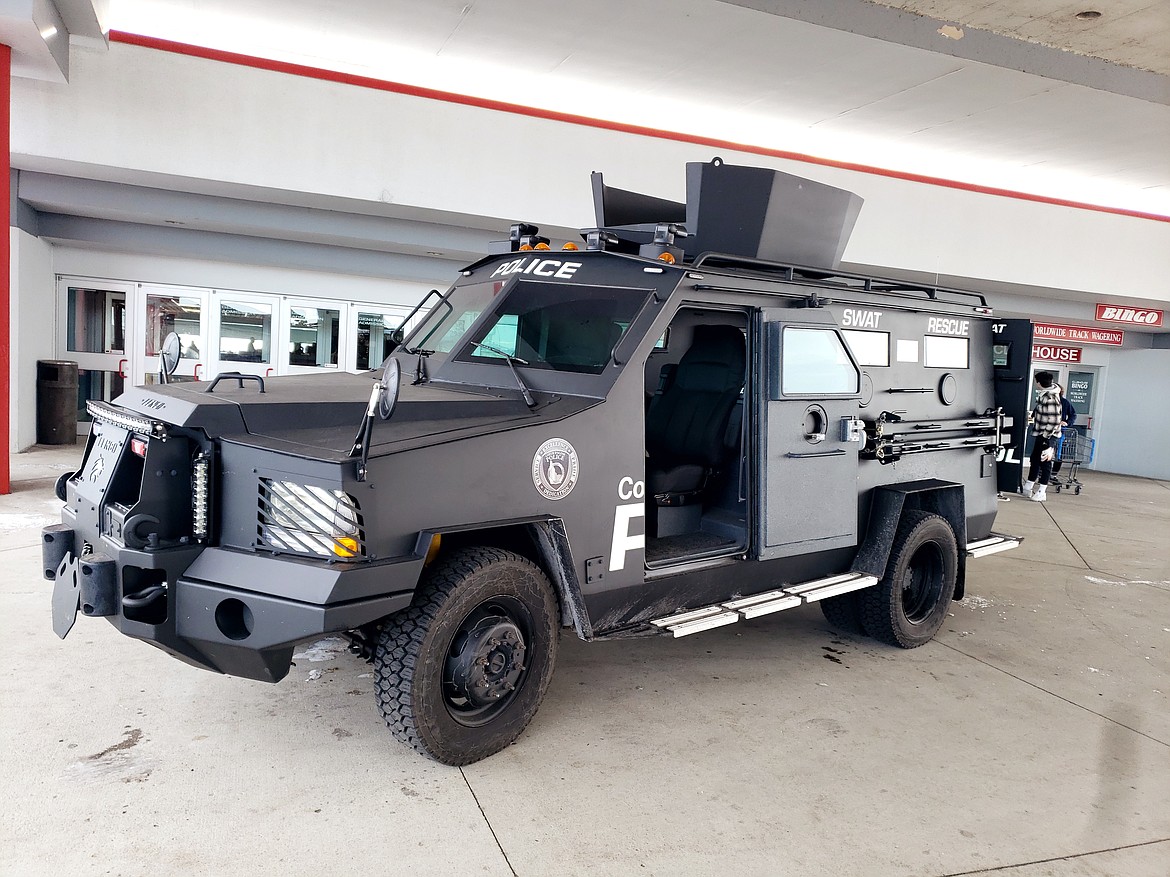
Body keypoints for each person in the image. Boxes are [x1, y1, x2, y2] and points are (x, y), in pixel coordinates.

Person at [1024, 371, 1062, 502]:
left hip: (1048, 436)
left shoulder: (1050, 398)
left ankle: (1042, 491)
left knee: (1045, 462)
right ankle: (1028, 486)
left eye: (1036, 381)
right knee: (1035, 459)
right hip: (1042, 433)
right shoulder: (1044, 395)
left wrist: (1046, 437)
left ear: (1039, 382)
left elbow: (1054, 420)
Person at [1052, 384, 1077, 476]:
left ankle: (1054, 474)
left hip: (1060, 431)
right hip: (1048, 430)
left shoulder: (1064, 402)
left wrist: (1066, 422)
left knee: (1059, 454)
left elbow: (1073, 415)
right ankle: (1041, 473)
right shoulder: (1046, 401)